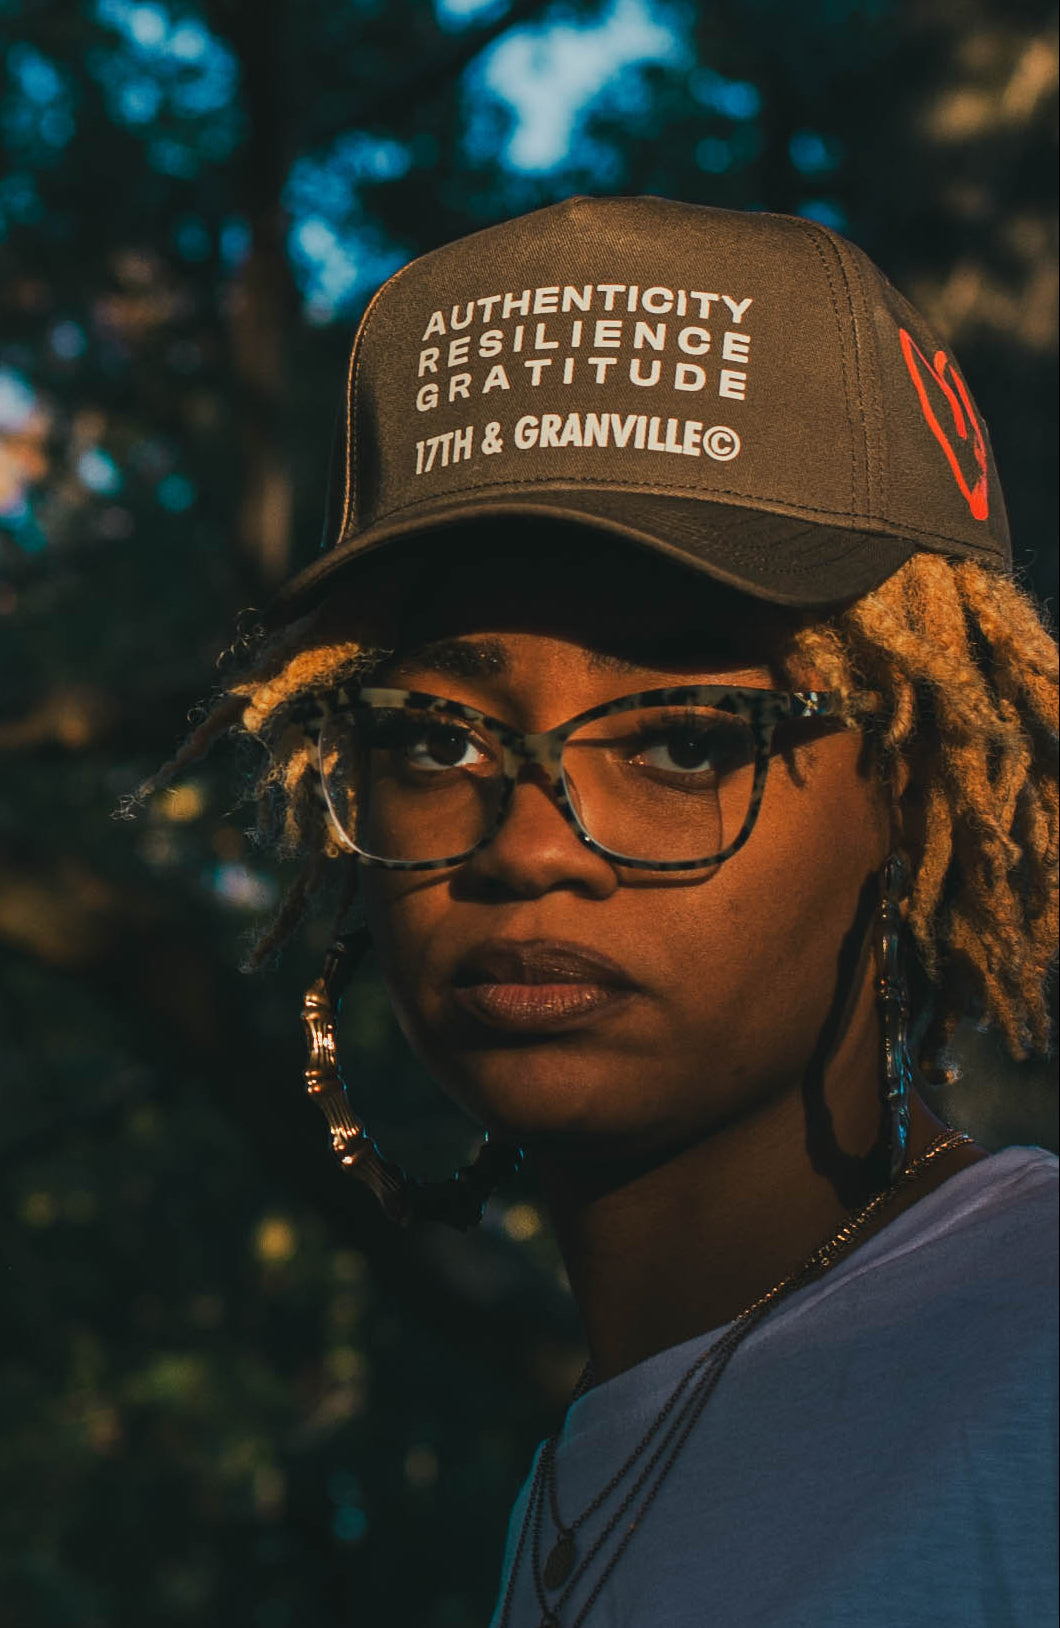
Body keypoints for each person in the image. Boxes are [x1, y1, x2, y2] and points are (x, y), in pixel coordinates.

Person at [152, 197, 1058, 1626]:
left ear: (909, 785)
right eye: (435, 740)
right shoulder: (598, 1461)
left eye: (688, 740)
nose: (525, 848)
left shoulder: (1030, 1356)